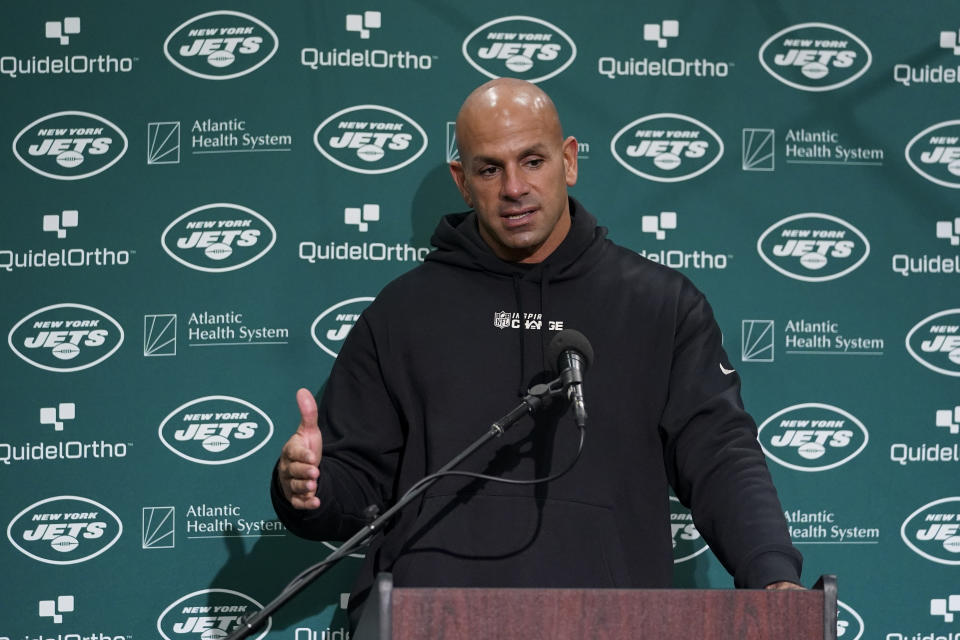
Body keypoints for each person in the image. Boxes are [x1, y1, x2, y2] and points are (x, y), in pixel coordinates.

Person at [271, 78, 803, 621]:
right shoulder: (403, 311)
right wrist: (309, 486)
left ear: (568, 161)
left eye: (532, 161)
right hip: (428, 621)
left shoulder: (660, 307)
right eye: (489, 168)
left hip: (608, 626)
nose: (514, 188)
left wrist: (772, 576)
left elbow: (719, 453)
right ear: (462, 181)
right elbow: (353, 484)